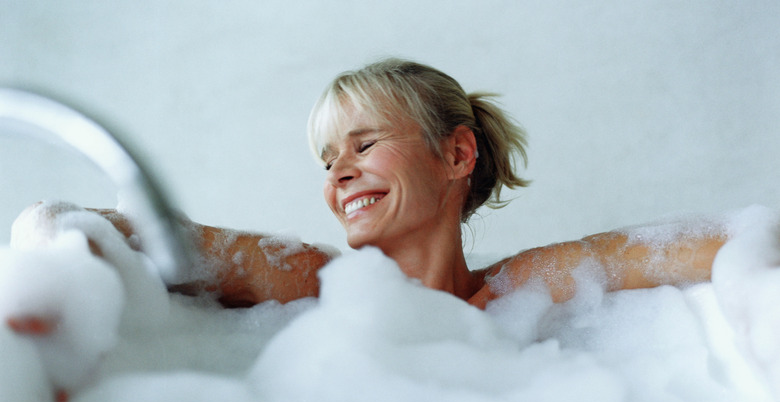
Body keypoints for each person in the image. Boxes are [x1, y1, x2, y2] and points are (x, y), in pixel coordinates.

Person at [12, 58, 728, 312]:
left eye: (364, 144)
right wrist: (48, 240)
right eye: (327, 160)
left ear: (456, 154)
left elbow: (716, 244)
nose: (340, 173)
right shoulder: (316, 282)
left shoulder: (518, 291)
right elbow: (131, 235)